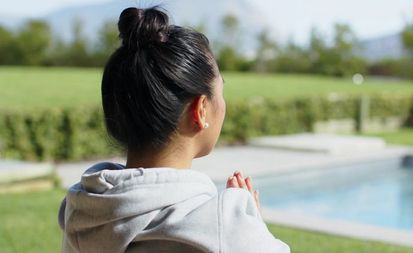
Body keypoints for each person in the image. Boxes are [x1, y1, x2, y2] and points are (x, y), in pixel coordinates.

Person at [57, 6, 290, 253]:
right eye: (221, 91)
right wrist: (253, 228)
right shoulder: (225, 227)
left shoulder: (83, 210)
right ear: (200, 109)